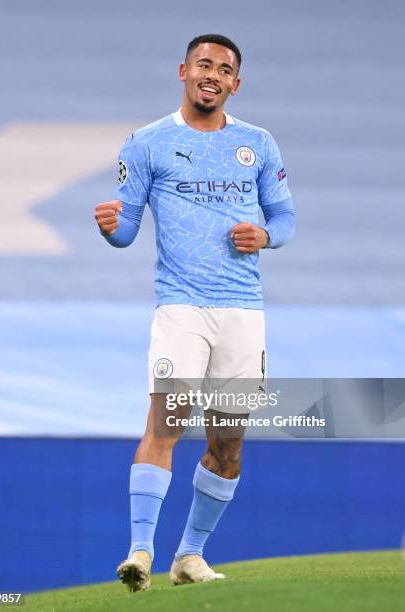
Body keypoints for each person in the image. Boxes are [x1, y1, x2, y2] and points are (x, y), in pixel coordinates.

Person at [94, 33, 295, 592]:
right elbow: (128, 229)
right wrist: (112, 230)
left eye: (224, 68)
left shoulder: (259, 143)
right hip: (181, 307)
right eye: (203, 64)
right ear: (183, 71)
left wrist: (267, 235)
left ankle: (189, 556)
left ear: (235, 82)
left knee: (228, 442)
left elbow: (285, 218)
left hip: (243, 311)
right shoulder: (147, 142)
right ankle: (139, 552)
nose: (212, 74)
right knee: (166, 422)